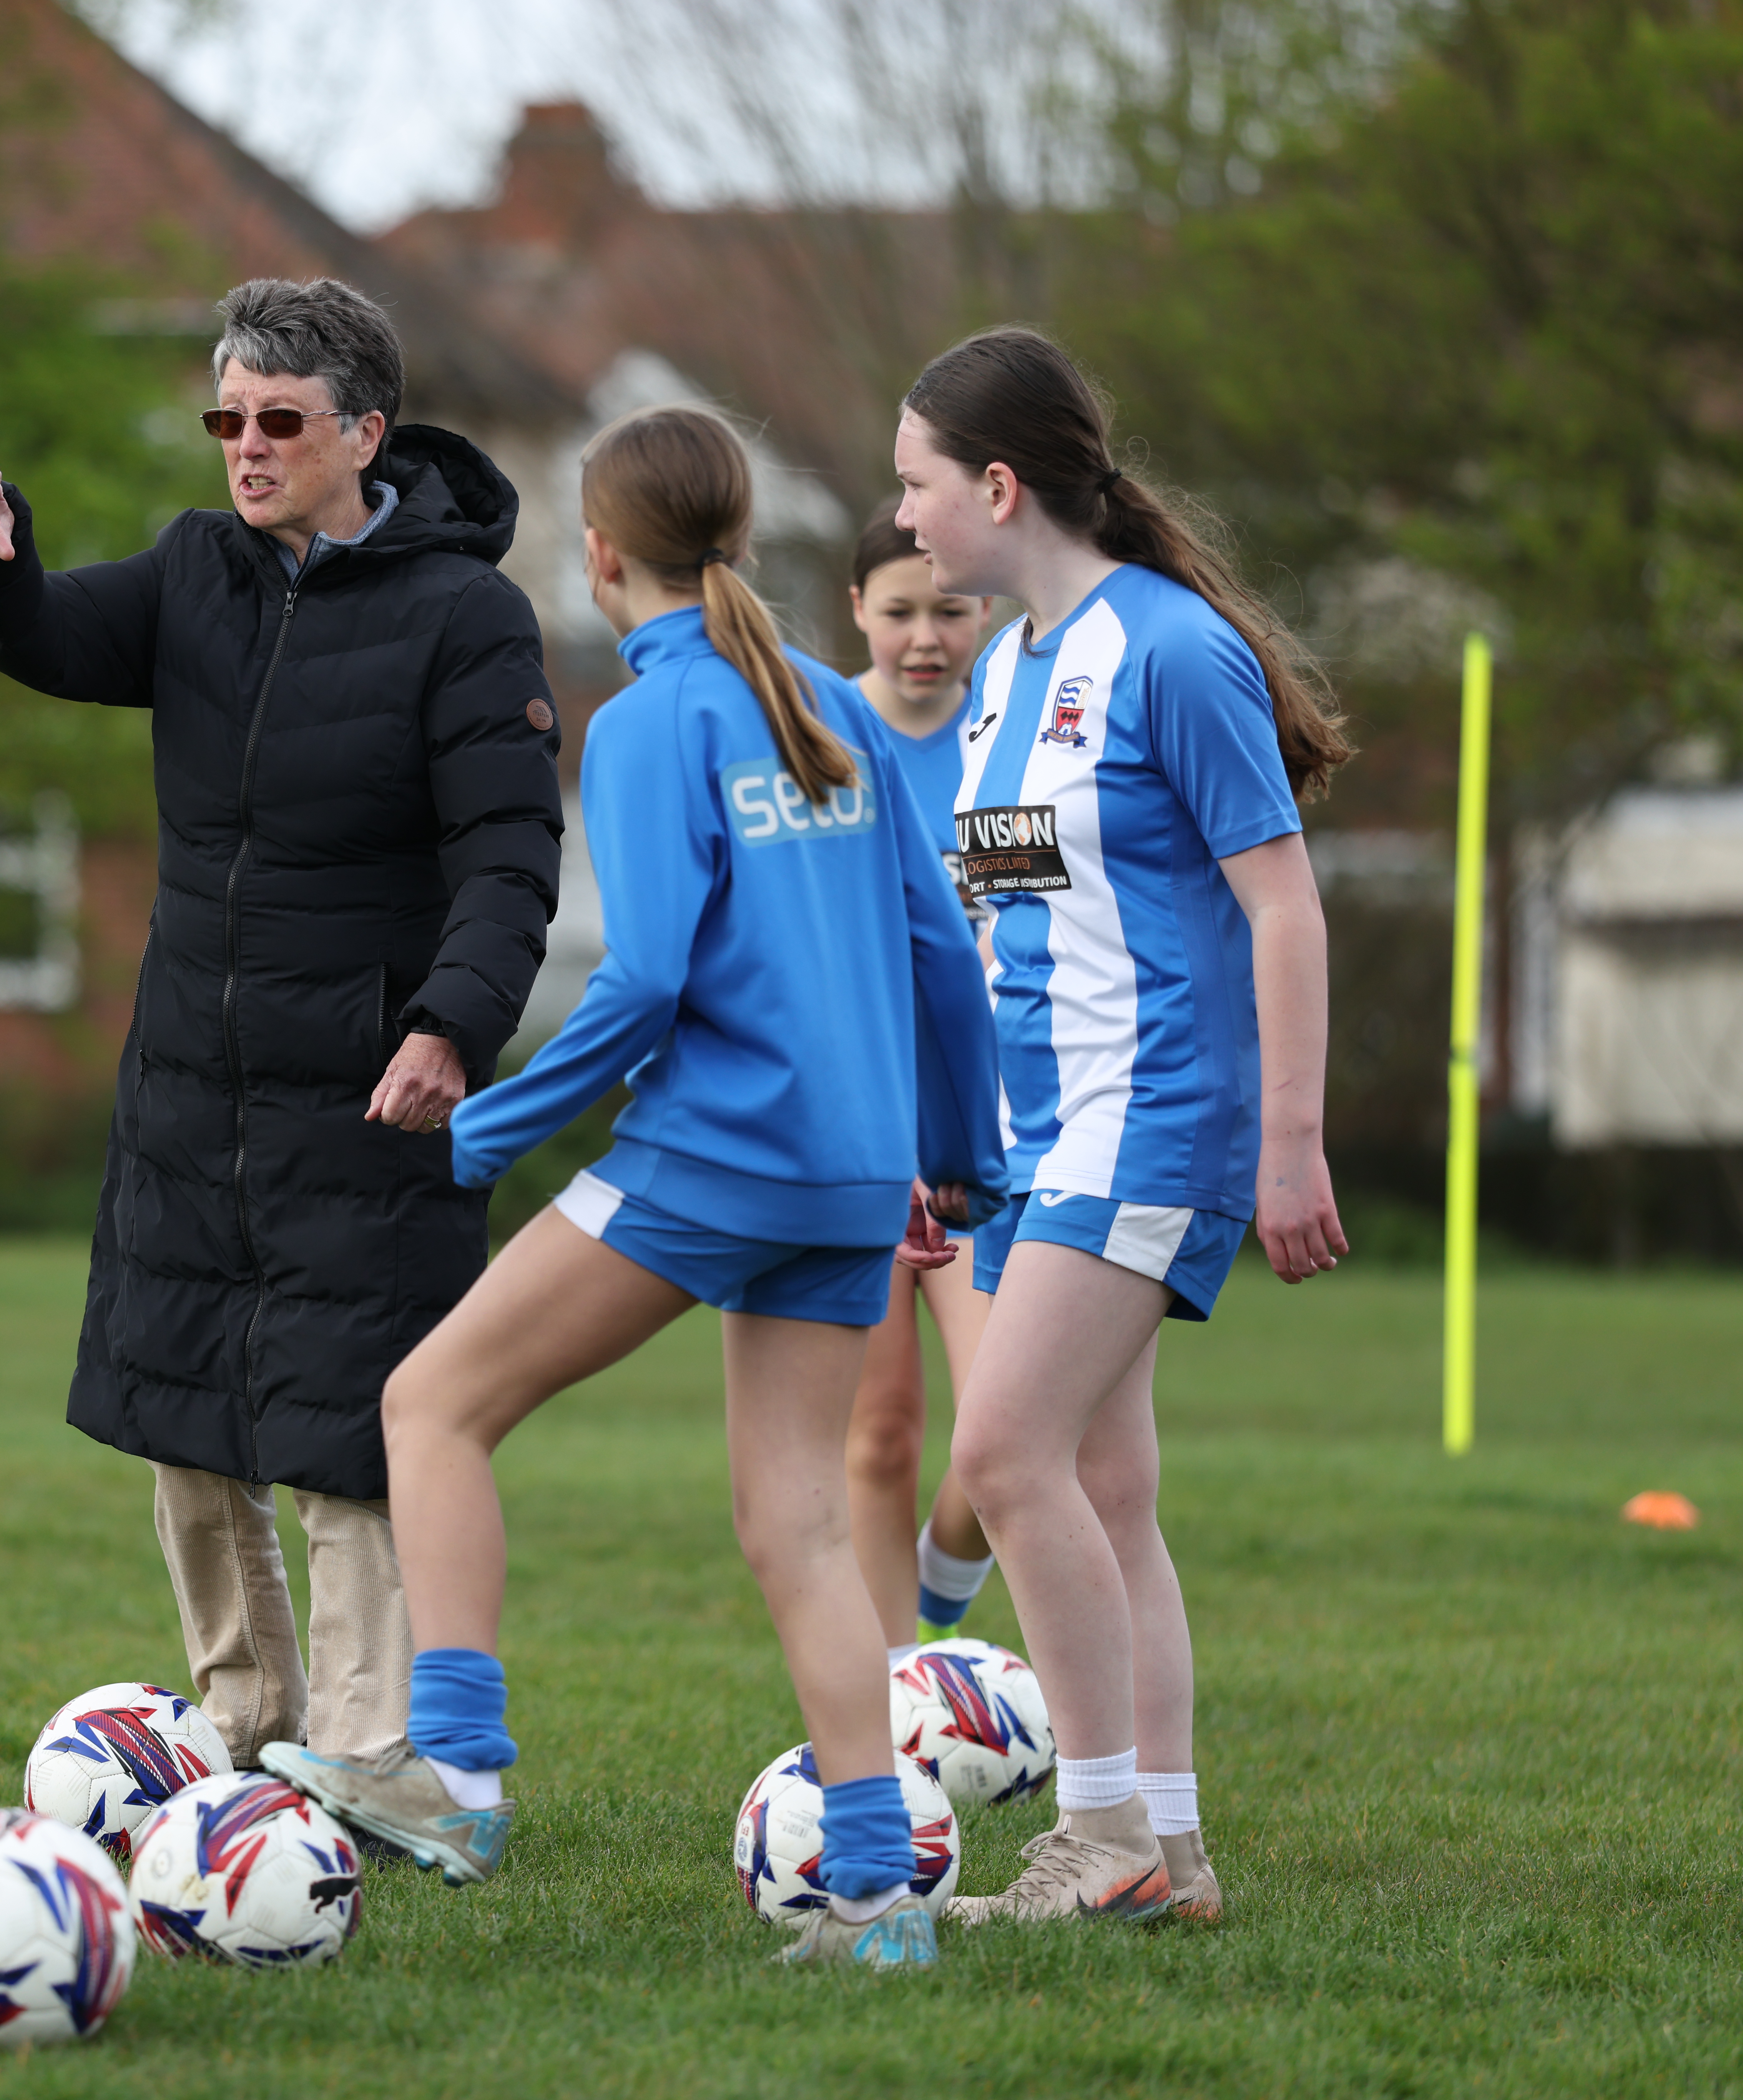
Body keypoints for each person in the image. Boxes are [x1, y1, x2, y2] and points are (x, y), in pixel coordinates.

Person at [262, 404, 1004, 1975]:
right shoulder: (829, 703)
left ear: (596, 552)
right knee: (798, 1534)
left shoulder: (651, 718)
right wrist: (954, 1157)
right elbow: (940, 953)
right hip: (849, 1176)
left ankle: (453, 1777)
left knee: (431, 1404)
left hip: (715, 1159)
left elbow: (650, 972)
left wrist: (494, 1114)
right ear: (735, 536)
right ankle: (877, 1910)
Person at [0, 279, 563, 1773]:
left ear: (363, 434)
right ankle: (244, 1732)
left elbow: (508, 862)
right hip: (194, 1085)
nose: (243, 448)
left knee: (351, 1439)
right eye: (224, 419)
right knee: (186, 1423)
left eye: (277, 421)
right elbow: (54, 638)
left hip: (372, 1090)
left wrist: (450, 1027)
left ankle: (370, 1759)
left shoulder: (466, 615)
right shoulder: (198, 570)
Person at [890, 325, 1352, 1926]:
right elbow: (980, 939)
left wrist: (1284, 1145)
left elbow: (1279, 905)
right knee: (1100, 1488)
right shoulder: (1005, 670)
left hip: (1151, 1126)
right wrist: (945, 1137)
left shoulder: (1167, 652)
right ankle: (1171, 1852)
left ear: (998, 486)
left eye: (914, 486)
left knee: (1001, 1457)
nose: (901, 520)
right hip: (1032, 1145)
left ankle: (1100, 1842)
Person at [840, 515, 1005, 1659]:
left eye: (949, 609)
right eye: (899, 611)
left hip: (989, 1136)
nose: (925, 637)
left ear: (984, 611)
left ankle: (948, 1576)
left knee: (1007, 1429)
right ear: (856, 608)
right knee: (880, 1435)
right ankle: (895, 1699)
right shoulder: (817, 737)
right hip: (853, 1128)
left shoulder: (1019, 735)